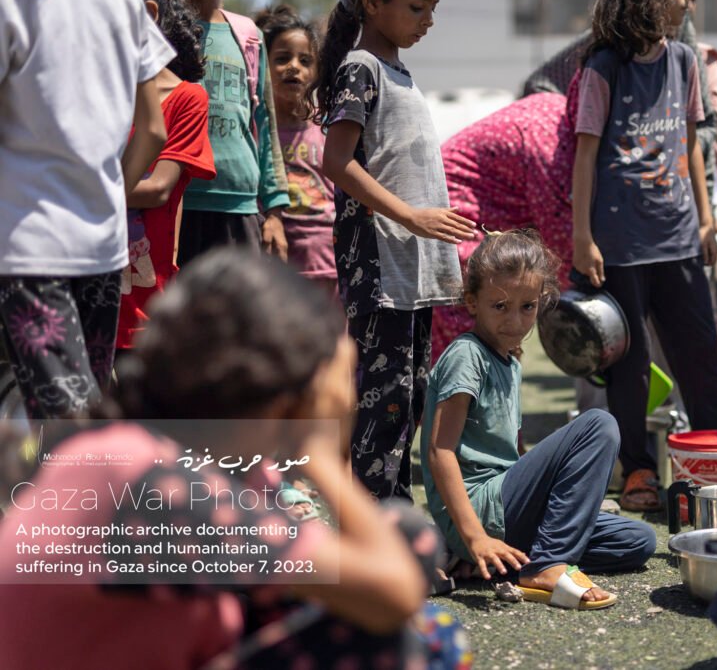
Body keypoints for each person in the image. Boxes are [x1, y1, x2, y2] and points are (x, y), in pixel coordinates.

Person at [0, 250, 470, 669]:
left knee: (404, 537)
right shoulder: (152, 478)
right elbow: (393, 591)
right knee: (406, 637)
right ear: (278, 393)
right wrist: (321, 453)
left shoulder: (178, 454)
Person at [421, 230, 656, 610]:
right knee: (598, 424)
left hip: (506, 511)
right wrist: (474, 537)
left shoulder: (509, 360)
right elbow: (439, 451)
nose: (515, 321)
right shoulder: (467, 356)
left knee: (636, 541)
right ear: (472, 302)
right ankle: (545, 564)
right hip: (481, 508)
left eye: (527, 306)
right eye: (500, 306)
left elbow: (512, 453)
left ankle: (507, 563)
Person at [311, 0, 476, 500]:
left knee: (407, 402)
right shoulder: (361, 67)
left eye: (433, 8)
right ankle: (375, 523)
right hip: (380, 270)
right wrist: (410, 216)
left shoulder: (397, 72)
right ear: (373, 1)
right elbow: (336, 161)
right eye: (417, 6)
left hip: (410, 272)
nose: (428, 20)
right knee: (383, 408)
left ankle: (395, 517)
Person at [572, 0, 717, 511]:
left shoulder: (684, 60)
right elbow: (585, 155)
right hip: (620, 246)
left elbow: (692, 144)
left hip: (679, 238)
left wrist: (706, 219)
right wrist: (583, 237)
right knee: (630, 365)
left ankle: (712, 457)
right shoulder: (604, 66)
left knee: (701, 356)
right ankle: (638, 468)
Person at [0, 0, 173, 419]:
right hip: (104, 245)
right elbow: (153, 130)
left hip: (30, 245)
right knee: (86, 410)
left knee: (67, 424)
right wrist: (109, 198)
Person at [432, 91, 576, 359]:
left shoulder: (560, 114)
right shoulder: (553, 146)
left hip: (456, 218)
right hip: (457, 223)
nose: (518, 324)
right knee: (480, 348)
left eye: (528, 307)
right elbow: (564, 245)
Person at [117, 0, 217, 352]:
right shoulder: (93, 93)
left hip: (143, 300)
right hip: (82, 283)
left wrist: (70, 191)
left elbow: (160, 188)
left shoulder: (186, 98)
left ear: (148, 14)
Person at [177, 0, 291, 266]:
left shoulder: (249, 36)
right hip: (177, 203)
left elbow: (265, 124)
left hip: (239, 206)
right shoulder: (159, 28)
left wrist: (274, 210)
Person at [256, 5, 337, 288]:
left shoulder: (329, 127)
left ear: (317, 71)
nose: (294, 67)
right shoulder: (256, 129)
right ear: (262, 65)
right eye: (282, 58)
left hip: (328, 263)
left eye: (305, 60)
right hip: (276, 265)